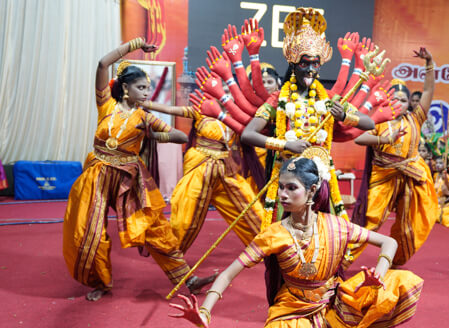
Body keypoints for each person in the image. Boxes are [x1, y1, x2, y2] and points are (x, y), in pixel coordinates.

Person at [168, 157, 424, 328]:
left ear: (312, 191)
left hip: (335, 303)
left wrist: (379, 274)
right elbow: (228, 273)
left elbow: (389, 242)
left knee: (401, 283)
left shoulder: (336, 225)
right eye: (281, 187)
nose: (282, 194)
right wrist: (205, 311)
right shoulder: (274, 234)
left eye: (291, 188)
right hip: (294, 314)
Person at [63, 38, 214, 301]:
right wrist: (135, 44)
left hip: (129, 178)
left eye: (148, 88)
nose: (146, 93)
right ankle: (100, 282)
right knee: (88, 232)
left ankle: (187, 279)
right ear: (125, 88)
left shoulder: (145, 117)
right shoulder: (106, 105)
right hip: (97, 175)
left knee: (154, 228)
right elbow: (102, 64)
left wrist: (154, 135)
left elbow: (179, 136)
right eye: (141, 87)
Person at [241, 8, 375, 231]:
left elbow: (368, 123)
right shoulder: (279, 98)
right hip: (289, 174)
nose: (311, 70)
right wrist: (285, 145)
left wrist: (344, 116)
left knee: (321, 229)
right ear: (294, 64)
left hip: (319, 175)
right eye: (305, 64)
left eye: (315, 64)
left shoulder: (328, 98)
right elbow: (248, 134)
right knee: (290, 230)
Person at [140, 100, 265, 253]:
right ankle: (171, 254)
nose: (225, 93)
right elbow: (170, 109)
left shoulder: (235, 115)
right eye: (222, 90)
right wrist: (146, 104)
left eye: (228, 90)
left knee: (252, 210)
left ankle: (267, 247)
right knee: (185, 221)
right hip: (199, 170)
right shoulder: (201, 110)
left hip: (225, 171)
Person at [351, 48, 437, 267]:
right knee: (370, 220)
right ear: (387, 101)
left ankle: (395, 261)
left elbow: (428, 91)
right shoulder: (379, 121)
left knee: (411, 225)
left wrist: (429, 63)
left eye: (404, 100)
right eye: (395, 99)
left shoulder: (415, 119)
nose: (399, 103)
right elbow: (359, 138)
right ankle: (341, 262)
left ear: (409, 103)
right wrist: (384, 139)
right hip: (383, 175)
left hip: (411, 176)